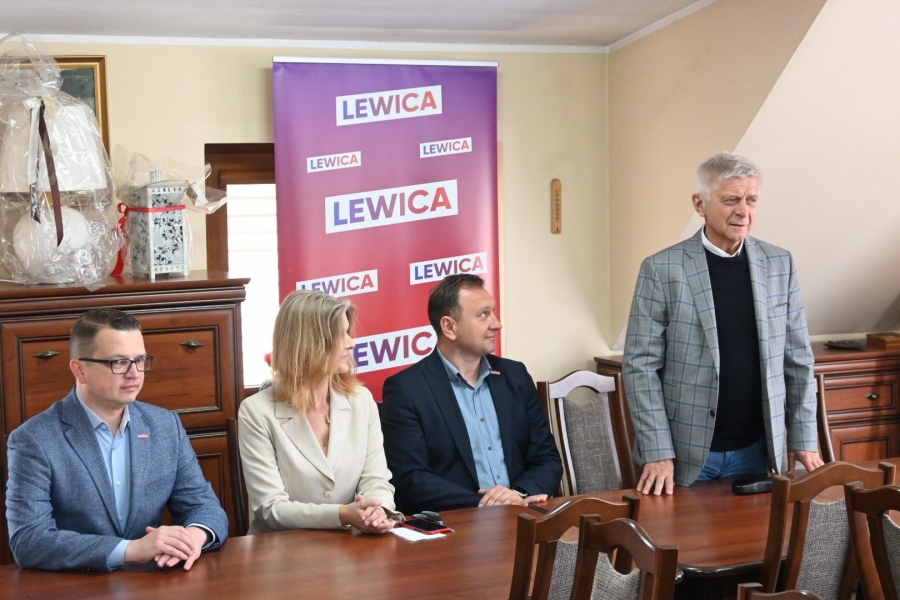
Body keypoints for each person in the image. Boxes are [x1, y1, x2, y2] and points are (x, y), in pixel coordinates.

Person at [623, 152, 823, 496]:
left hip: (759, 451)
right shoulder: (662, 269)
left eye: (751, 200)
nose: (743, 211)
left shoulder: (780, 264)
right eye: (731, 200)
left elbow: (799, 361)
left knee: (760, 534)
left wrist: (803, 437)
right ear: (699, 204)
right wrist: (657, 451)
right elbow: (640, 367)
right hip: (682, 457)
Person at [6, 308, 228, 571]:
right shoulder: (34, 439)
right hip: (77, 583)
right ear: (80, 370)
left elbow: (204, 506)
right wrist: (131, 550)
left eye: (140, 360)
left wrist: (191, 539)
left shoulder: (165, 425)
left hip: (154, 581)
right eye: (119, 362)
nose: (135, 373)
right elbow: (29, 540)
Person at [381, 274, 562, 514]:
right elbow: (411, 479)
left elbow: (547, 458)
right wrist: (484, 503)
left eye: (493, 312)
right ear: (449, 327)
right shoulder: (407, 389)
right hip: (458, 522)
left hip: (523, 513)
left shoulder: (515, 376)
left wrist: (518, 494)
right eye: (483, 314)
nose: (496, 324)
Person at [238, 290, 400, 534]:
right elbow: (271, 507)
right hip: (281, 548)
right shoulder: (256, 411)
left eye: (348, 332)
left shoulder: (361, 401)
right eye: (340, 334)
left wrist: (378, 510)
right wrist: (341, 514)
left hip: (351, 546)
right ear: (309, 343)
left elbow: (376, 479)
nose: (351, 342)